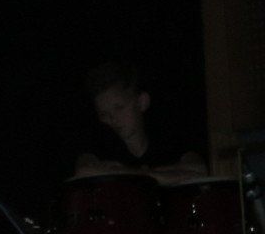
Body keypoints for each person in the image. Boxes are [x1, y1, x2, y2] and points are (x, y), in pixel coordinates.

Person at [73, 60, 206, 179]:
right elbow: (84, 171)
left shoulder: (167, 139)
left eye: (119, 108)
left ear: (142, 102)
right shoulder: (98, 145)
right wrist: (163, 176)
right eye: (104, 114)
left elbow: (199, 169)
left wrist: (125, 173)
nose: (112, 119)